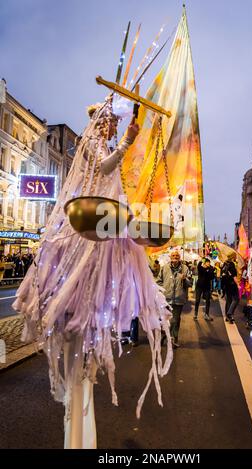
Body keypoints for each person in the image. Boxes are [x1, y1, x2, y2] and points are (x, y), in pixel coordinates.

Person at [12, 97, 173, 449]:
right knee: (77, 349)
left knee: (88, 347)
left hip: (105, 228)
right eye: (111, 123)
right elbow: (102, 168)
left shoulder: (106, 144)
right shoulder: (91, 144)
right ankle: (76, 427)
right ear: (100, 122)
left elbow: (114, 183)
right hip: (89, 227)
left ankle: (82, 423)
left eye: (116, 125)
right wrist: (129, 141)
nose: (114, 128)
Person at [157, 250, 192, 348]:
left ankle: (174, 339)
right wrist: (163, 291)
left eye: (177, 255)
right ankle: (165, 335)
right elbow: (159, 282)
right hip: (166, 299)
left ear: (179, 257)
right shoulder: (164, 268)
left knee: (175, 320)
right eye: (173, 255)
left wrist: (185, 279)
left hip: (178, 299)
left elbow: (190, 284)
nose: (175, 256)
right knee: (165, 320)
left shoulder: (185, 269)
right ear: (170, 257)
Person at [221, 253, 239, 323]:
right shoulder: (232, 264)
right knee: (236, 299)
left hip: (226, 285)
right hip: (232, 284)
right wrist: (237, 284)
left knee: (228, 300)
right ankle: (230, 313)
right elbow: (234, 276)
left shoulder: (224, 265)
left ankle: (227, 316)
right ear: (232, 257)